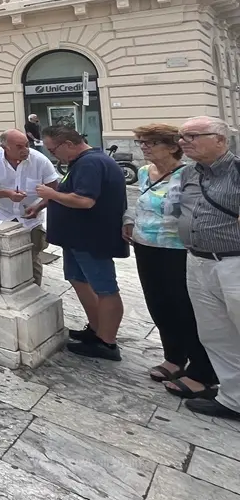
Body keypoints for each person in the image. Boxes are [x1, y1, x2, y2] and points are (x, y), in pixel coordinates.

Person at [126, 123, 216, 398]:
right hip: (146, 245)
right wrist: (129, 222)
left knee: (184, 308)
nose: (144, 147)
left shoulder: (189, 174)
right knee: (158, 304)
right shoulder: (143, 172)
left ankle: (201, 369)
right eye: (142, 142)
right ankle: (173, 358)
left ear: (173, 146)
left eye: (150, 143)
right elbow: (138, 203)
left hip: (178, 249)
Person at [32, 124, 128, 361]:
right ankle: (96, 329)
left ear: (69, 144)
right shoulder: (81, 162)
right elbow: (69, 192)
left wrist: (50, 194)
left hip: (91, 237)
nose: (52, 155)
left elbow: (84, 200)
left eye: (53, 150)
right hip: (76, 238)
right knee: (78, 279)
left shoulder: (90, 163)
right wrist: (43, 203)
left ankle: (107, 342)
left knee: (104, 287)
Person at [171, 116, 240, 420]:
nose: (183, 142)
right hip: (198, 261)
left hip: (234, 262)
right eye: (181, 137)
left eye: (192, 136)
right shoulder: (187, 173)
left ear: (220, 140)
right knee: (215, 333)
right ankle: (233, 398)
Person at [0, 129, 59, 285]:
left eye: (27, 145)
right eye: (19, 147)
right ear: (5, 148)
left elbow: (55, 190)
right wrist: (7, 193)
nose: (25, 150)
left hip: (30, 215)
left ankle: (35, 291)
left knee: (32, 255)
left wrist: (39, 207)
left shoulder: (40, 160)